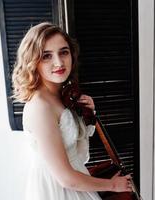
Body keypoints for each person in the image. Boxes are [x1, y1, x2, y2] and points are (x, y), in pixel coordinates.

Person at [12, 22, 132, 200]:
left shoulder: (60, 94)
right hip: (60, 190)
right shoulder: (40, 107)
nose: (59, 62)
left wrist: (85, 114)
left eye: (64, 52)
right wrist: (113, 185)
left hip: (76, 180)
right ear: (33, 61)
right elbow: (65, 178)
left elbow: (72, 144)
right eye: (46, 56)